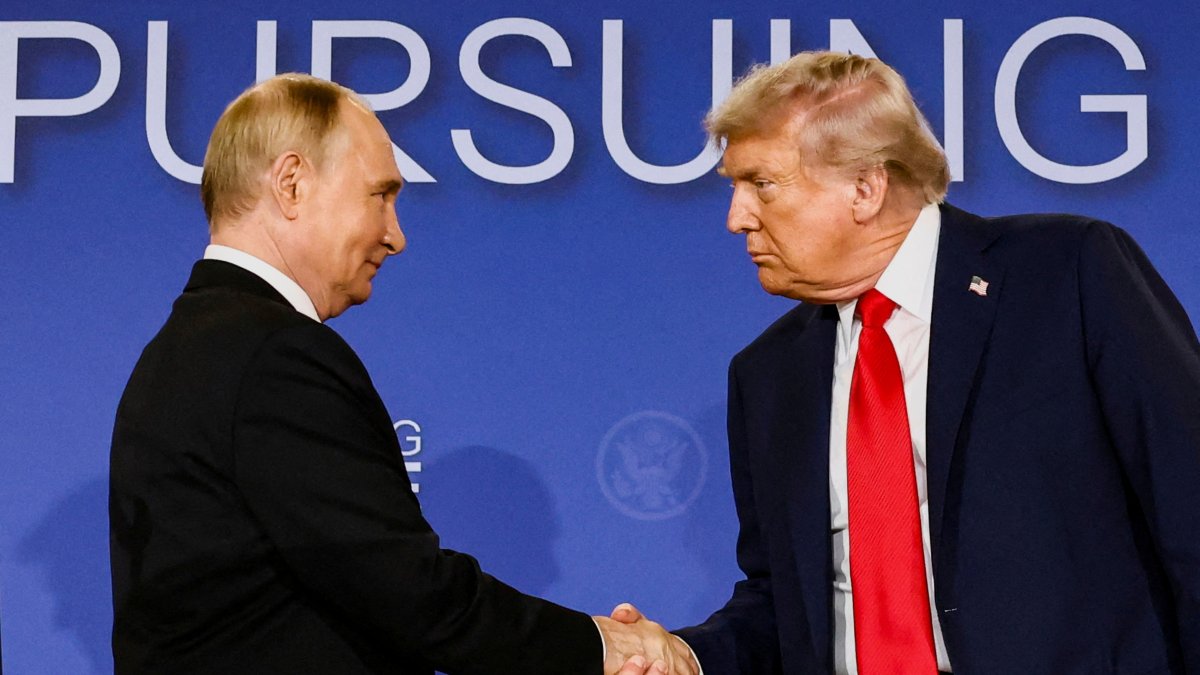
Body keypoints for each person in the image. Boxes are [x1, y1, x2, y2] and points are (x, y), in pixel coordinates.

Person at [613, 51, 1200, 673]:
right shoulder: (767, 375)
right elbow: (785, 605)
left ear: (865, 188)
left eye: (761, 184)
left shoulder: (1065, 275)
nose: (736, 218)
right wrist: (687, 654)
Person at [109, 73, 697, 675]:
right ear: (292, 183)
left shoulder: (189, 348)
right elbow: (406, 592)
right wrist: (602, 647)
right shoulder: (274, 356)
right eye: (380, 196)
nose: (397, 235)